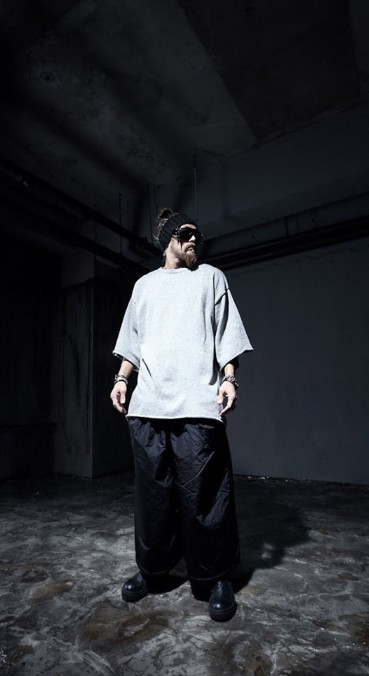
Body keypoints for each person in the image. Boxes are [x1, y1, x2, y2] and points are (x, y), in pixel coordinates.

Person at [110, 208, 252, 621]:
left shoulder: (210, 278)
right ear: (168, 239)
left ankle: (216, 577)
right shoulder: (144, 286)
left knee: (204, 498)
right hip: (149, 406)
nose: (194, 241)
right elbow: (132, 341)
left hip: (197, 406)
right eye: (186, 234)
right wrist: (121, 380)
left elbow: (226, 333)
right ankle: (153, 570)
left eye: (197, 236)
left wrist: (229, 378)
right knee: (153, 498)